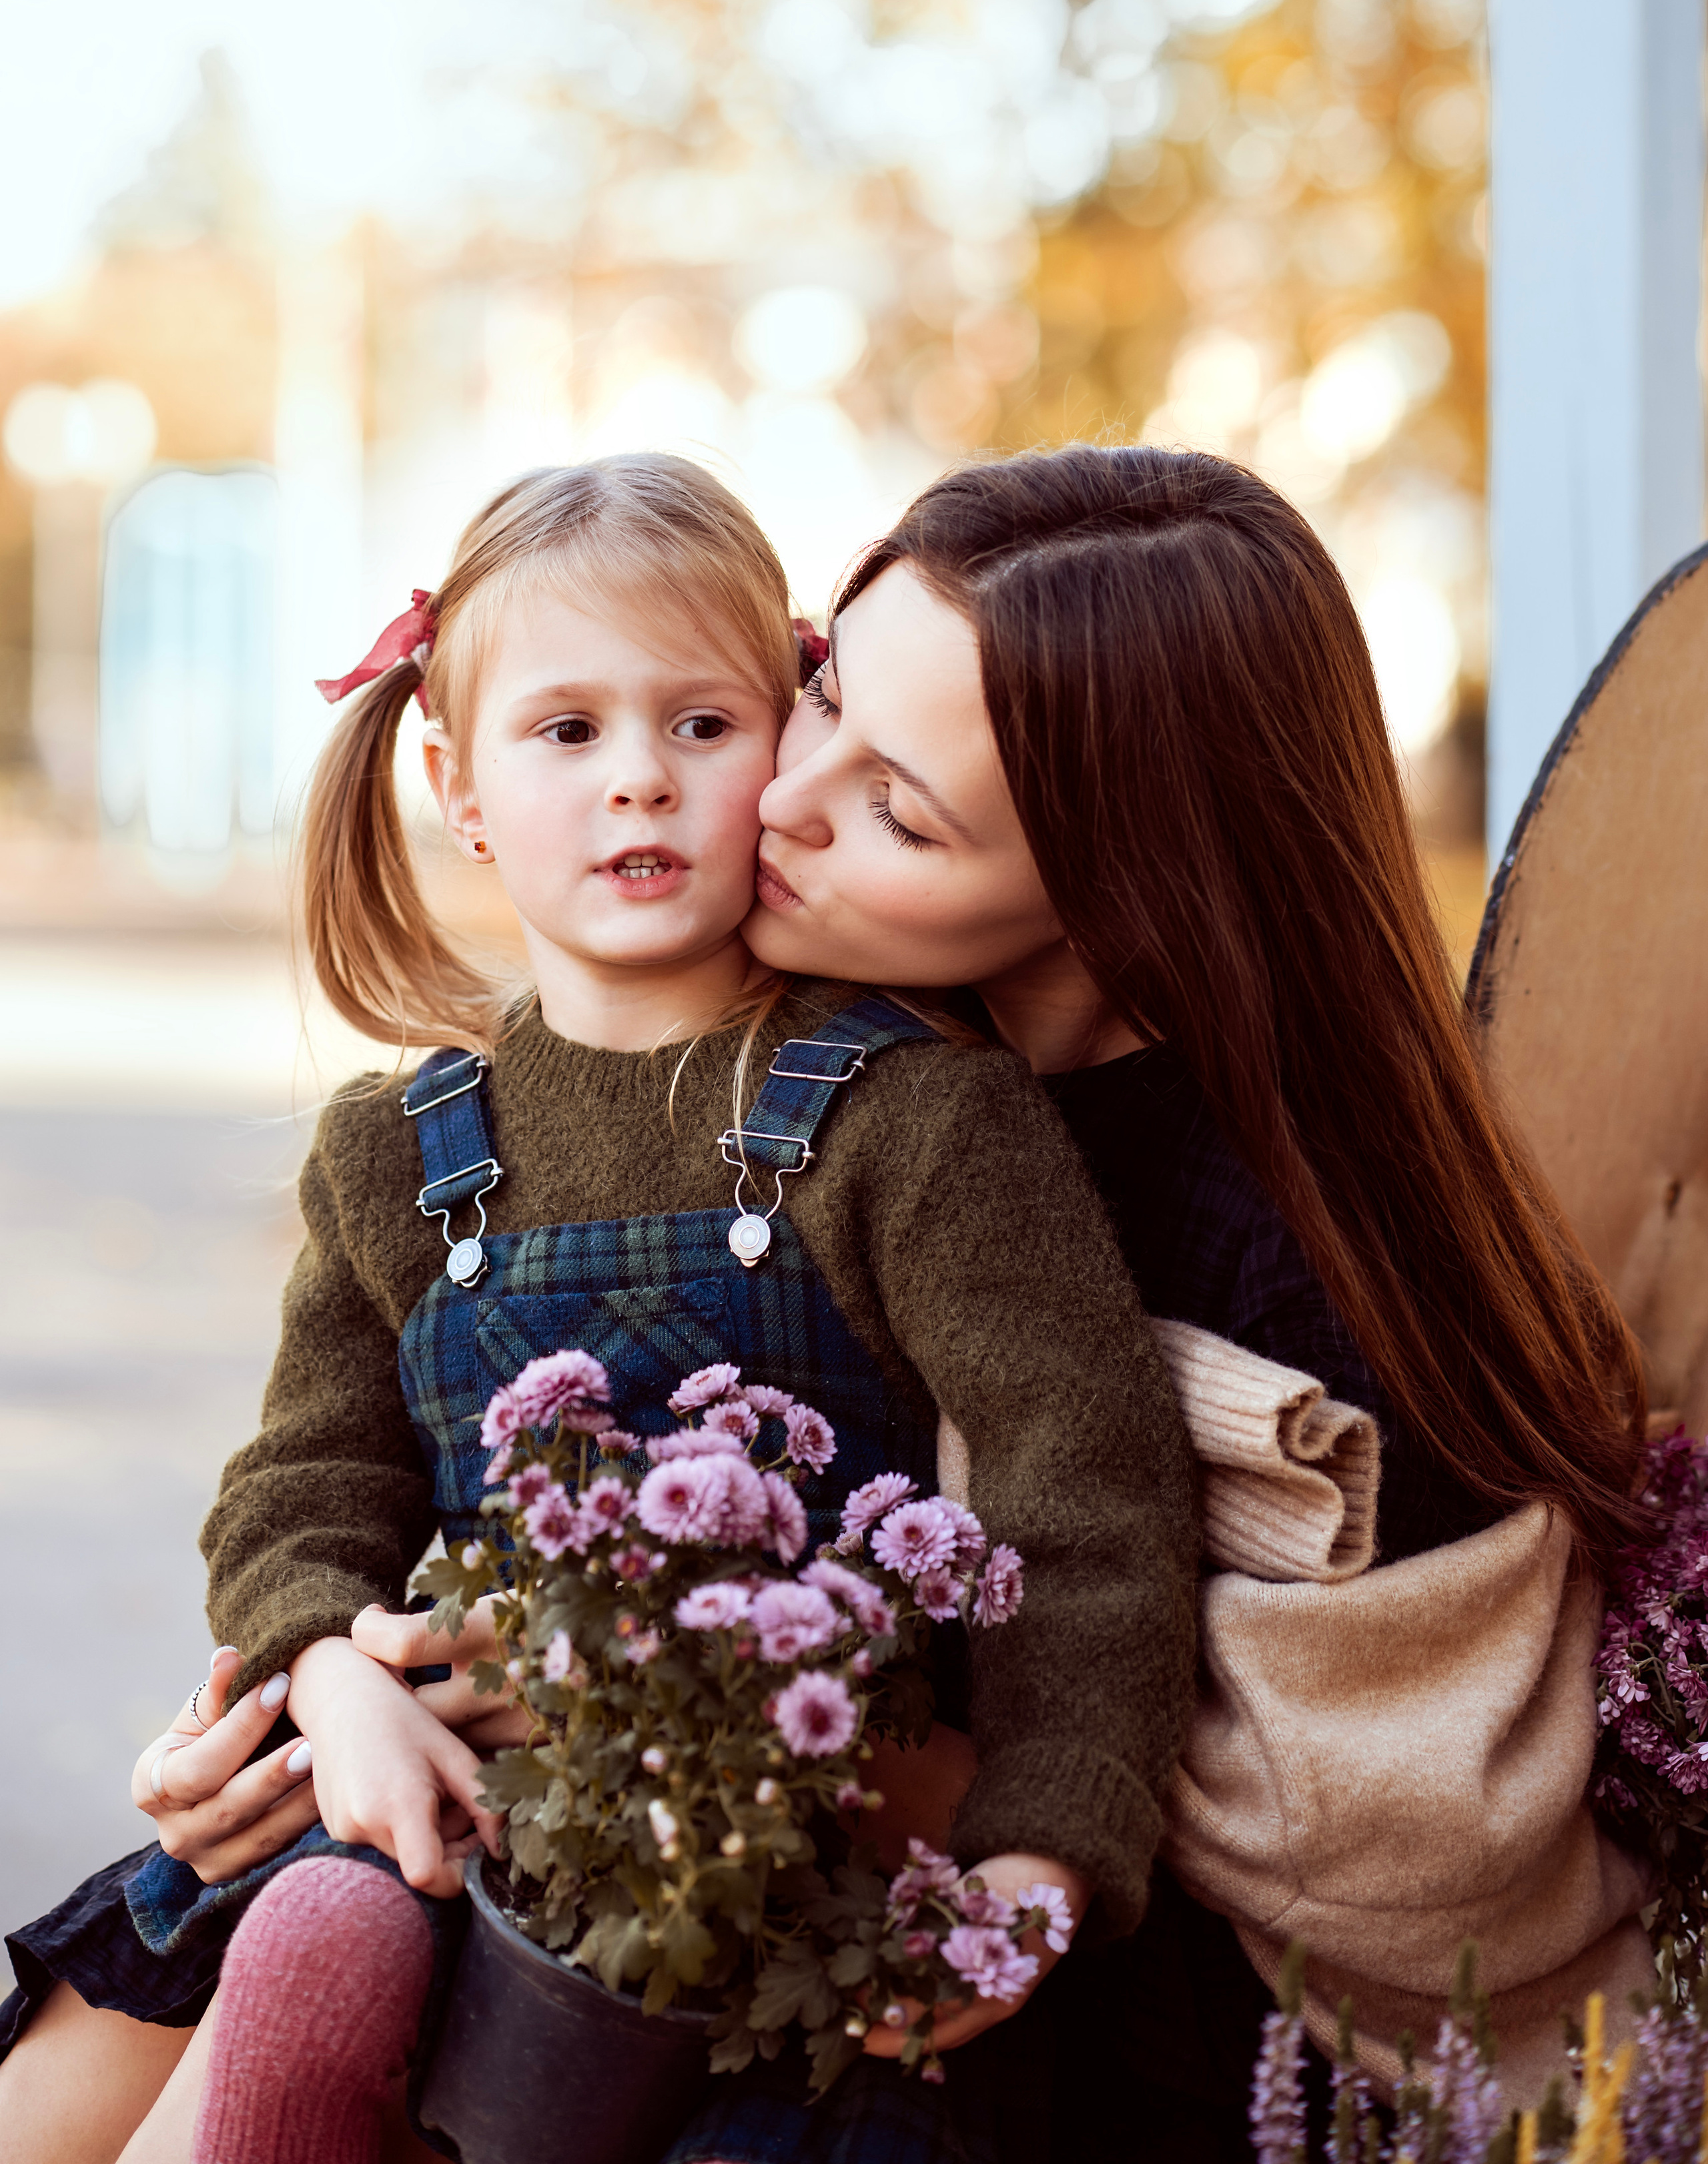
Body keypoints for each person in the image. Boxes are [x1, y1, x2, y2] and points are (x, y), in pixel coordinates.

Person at [0, 452, 1196, 2164]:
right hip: (431, 1807)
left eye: (702, 725)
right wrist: (329, 1672)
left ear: (785, 744)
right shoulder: (397, 1152)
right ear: (459, 785)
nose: (639, 778)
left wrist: (1041, 1845)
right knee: (257, 1973)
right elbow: (300, 1490)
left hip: (764, 1856)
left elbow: (1090, 1506)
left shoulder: (911, 1120)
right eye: (566, 732)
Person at [733, 440, 1653, 2147]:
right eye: (818, 698)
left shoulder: (1303, 1285)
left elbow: (1367, 1901)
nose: (780, 803)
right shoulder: (871, 1065)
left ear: (1118, 887)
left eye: (895, 809)